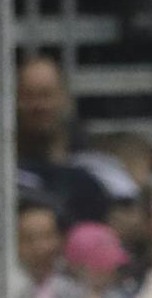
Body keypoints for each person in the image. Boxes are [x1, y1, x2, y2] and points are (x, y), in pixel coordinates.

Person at [15, 56, 110, 225]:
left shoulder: (90, 168)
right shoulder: (0, 169)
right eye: (28, 96)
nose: (38, 106)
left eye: (46, 95)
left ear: (64, 98)